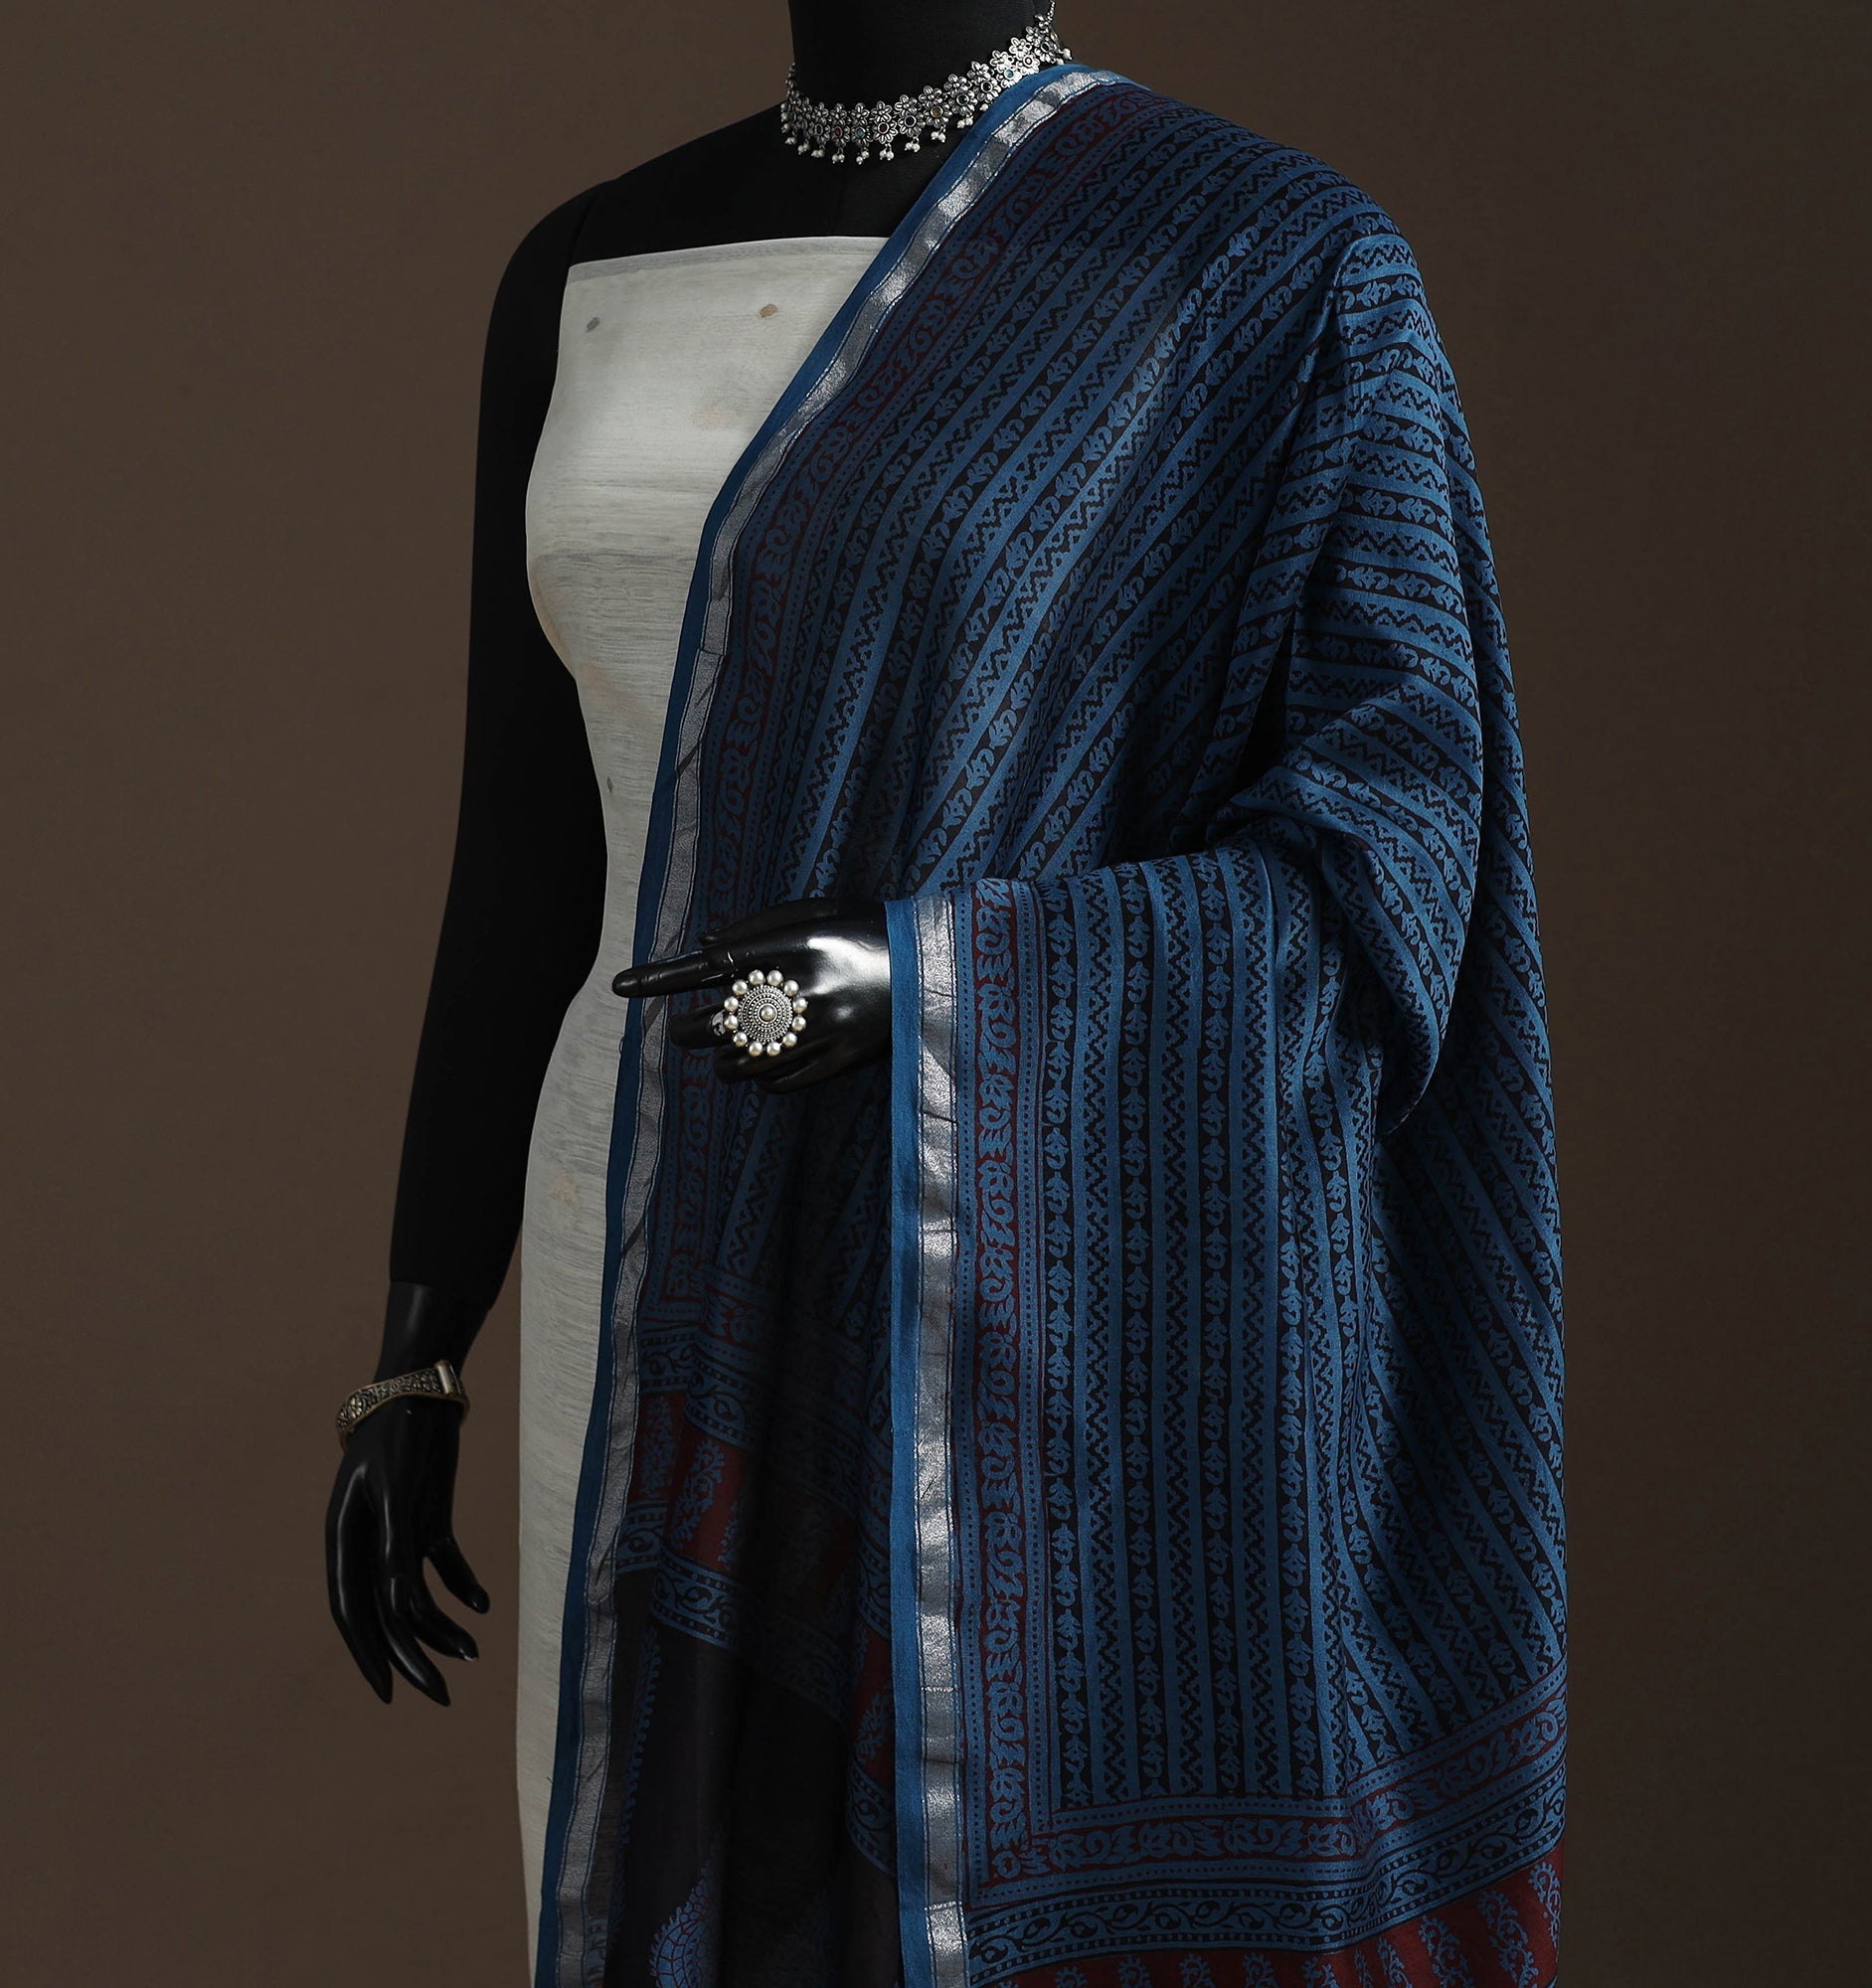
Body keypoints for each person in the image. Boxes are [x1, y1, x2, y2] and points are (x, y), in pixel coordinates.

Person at [326, 9, 1566, 1986]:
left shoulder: (1253, 263)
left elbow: (1395, 859)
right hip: (626, 1245)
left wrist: (929, 983)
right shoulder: (585, 264)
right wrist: (417, 1353)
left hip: (985, 1287)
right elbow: (525, 860)